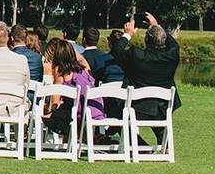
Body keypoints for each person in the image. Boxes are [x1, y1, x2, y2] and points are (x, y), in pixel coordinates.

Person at [111, 12, 181, 142]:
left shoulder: (136, 55)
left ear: (146, 40)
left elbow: (116, 51)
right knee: (152, 109)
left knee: (114, 111)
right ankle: (161, 141)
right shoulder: (172, 55)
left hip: (136, 108)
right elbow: (174, 45)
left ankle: (140, 146)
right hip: (162, 108)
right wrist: (156, 25)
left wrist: (127, 34)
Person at [43, 38, 103, 135]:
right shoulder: (81, 68)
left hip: (80, 111)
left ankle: (68, 143)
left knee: (56, 115)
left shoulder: (60, 70)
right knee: (66, 108)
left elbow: (56, 97)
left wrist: (50, 110)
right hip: (96, 109)